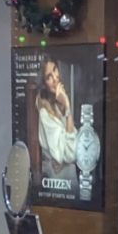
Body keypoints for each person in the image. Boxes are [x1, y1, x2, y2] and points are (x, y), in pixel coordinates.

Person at [36, 57, 78, 188]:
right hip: (59, 181)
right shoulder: (45, 114)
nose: (55, 78)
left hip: (69, 177)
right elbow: (70, 155)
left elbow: (75, 147)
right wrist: (67, 105)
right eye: (49, 77)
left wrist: (65, 106)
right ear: (44, 84)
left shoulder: (57, 106)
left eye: (55, 70)